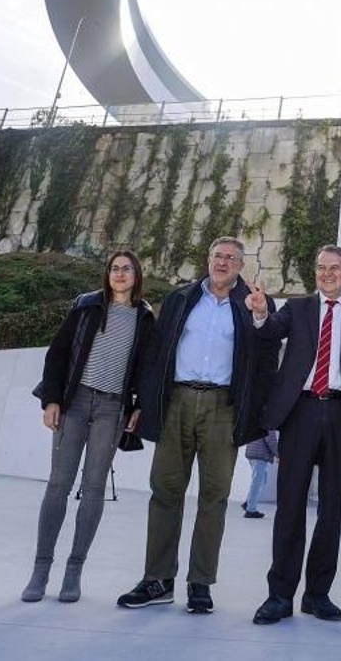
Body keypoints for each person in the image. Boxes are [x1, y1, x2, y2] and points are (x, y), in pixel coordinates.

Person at [116, 237, 277, 616]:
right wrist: (142, 403)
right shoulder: (180, 299)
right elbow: (155, 354)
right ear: (208, 260)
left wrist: (260, 317)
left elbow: (268, 356)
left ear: (241, 266)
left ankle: (200, 583)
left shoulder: (253, 304)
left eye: (231, 259)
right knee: (165, 490)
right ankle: (157, 579)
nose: (223, 263)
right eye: (218, 256)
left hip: (224, 407)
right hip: (176, 401)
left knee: (215, 496)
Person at [247, 245, 341, 625]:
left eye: (334, 268)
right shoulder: (298, 308)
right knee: (289, 506)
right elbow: (270, 332)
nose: (327, 273)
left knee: (331, 509)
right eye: (321, 268)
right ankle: (280, 595)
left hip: (340, 414)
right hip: (300, 413)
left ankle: (318, 594)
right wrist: (259, 312)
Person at [21, 249, 156, 604]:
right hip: (75, 402)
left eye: (127, 269)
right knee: (58, 484)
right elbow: (58, 353)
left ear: (137, 275)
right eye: (114, 268)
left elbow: (145, 367)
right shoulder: (86, 305)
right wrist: (52, 399)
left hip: (112, 408)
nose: (120, 274)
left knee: (93, 488)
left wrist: (138, 407)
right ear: (107, 274)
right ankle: (40, 570)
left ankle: (73, 572)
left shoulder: (144, 317)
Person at [242, 430, 279, 518]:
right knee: (257, 483)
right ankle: (250, 510)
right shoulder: (269, 422)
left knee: (260, 481)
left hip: (252, 453)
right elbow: (271, 441)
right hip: (259, 455)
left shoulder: (258, 419)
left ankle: (248, 502)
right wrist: (278, 454)